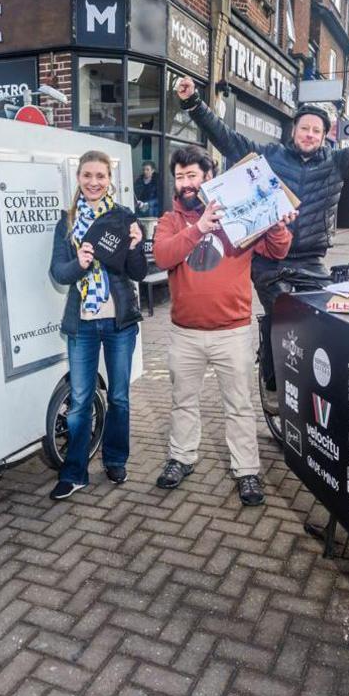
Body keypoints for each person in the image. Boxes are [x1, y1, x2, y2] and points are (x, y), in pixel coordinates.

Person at [172, 77, 349, 402]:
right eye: (304, 128)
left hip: (311, 261)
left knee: (324, 323)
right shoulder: (268, 156)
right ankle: (271, 382)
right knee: (281, 319)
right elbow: (226, 139)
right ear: (293, 130)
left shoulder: (337, 162)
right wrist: (194, 102)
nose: (309, 134)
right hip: (271, 261)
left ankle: (317, 386)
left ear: (324, 136)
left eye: (316, 131)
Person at [151, 146, 295, 505]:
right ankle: (181, 458)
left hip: (232, 331)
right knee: (183, 401)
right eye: (180, 176)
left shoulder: (237, 209)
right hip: (185, 333)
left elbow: (277, 250)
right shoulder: (171, 220)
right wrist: (198, 228)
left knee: (239, 404)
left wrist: (276, 221)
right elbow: (164, 256)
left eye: (192, 176)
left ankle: (246, 470)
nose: (185, 183)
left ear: (208, 177)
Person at [48, 150, 147, 500]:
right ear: (78, 179)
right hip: (83, 325)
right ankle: (74, 473)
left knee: (119, 396)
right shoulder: (68, 221)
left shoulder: (124, 217)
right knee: (79, 400)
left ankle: (116, 460)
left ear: (110, 180)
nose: (93, 182)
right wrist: (78, 263)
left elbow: (138, 273)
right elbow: (57, 272)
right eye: (87, 175)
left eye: (100, 176)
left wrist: (136, 245)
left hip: (120, 323)